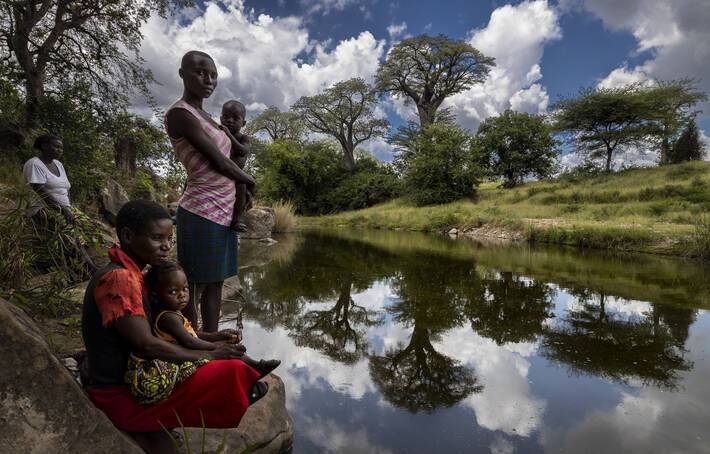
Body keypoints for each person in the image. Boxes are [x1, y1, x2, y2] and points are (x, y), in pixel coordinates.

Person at [81, 200, 265, 454]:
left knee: (228, 365)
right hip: (121, 393)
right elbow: (146, 345)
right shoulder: (119, 278)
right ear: (128, 236)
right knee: (231, 369)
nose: (166, 246)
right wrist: (209, 354)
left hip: (131, 381)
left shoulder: (133, 274)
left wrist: (210, 341)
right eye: (157, 238)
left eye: (169, 238)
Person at [165, 50, 256, 333]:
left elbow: (235, 155)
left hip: (224, 210)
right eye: (200, 72)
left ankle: (213, 340)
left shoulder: (209, 118)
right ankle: (193, 340)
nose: (208, 79)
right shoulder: (181, 113)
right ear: (183, 74)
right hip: (201, 208)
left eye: (213, 75)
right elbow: (218, 161)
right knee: (192, 283)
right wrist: (250, 181)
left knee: (216, 281)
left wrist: (240, 194)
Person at [144, 260, 280, 378]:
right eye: (173, 291)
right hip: (181, 361)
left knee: (228, 347)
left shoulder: (173, 312)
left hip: (188, 351)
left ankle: (256, 367)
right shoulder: (168, 317)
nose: (182, 295)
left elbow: (192, 334)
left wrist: (217, 336)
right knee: (228, 352)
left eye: (185, 289)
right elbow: (190, 341)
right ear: (156, 296)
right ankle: (256, 368)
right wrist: (216, 346)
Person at [23, 134, 74, 224]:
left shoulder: (59, 164)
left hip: (64, 209)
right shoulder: (34, 164)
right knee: (66, 228)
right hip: (42, 209)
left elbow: (66, 189)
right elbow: (39, 190)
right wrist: (62, 209)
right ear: (44, 146)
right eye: (56, 146)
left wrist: (68, 206)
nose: (60, 150)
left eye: (61, 148)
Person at [219, 100, 252, 232]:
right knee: (192, 177)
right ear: (221, 118)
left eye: (235, 118)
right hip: (220, 171)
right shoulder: (218, 134)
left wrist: (228, 135)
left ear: (243, 123)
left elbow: (242, 151)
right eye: (226, 117)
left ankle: (237, 219)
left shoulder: (244, 138)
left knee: (242, 186)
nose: (230, 120)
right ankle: (179, 211)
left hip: (236, 176)